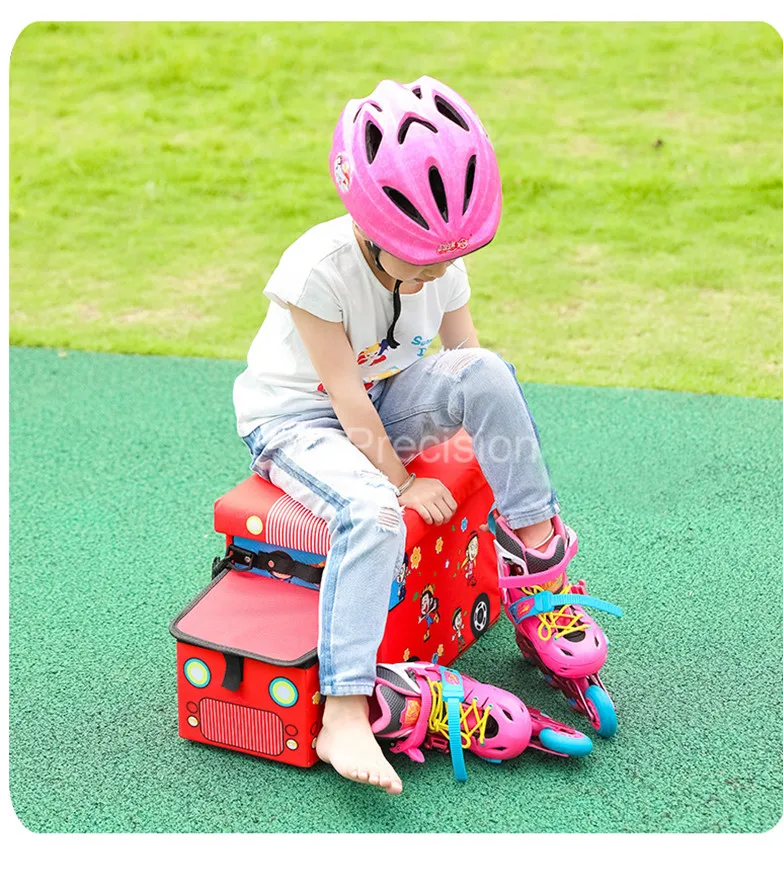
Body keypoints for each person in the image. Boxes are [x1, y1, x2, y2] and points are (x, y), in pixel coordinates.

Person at [234, 76, 601, 794]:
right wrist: (401, 484)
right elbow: (344, 395)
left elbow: (468, 366)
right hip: (298, 421)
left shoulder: (441, 263)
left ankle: (538, 573)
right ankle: (344, 711)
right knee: (371, 513)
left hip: (384, 400)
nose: (439, 271)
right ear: (371, 226)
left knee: (489, 370)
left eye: (447, 257)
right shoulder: (316, 272)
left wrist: (483, 445)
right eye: (422, 257)